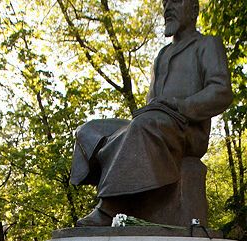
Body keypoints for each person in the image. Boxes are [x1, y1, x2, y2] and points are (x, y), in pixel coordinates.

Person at [71, 0, 232, 226]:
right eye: (164, 3)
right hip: (155, 123)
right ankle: (125, 191)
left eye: (175, 1)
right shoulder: (162, 54)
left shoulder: (207, 44)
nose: (167, 8)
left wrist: (180, 105)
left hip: (187, 130)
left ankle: (110, 208)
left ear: (194, 10)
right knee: (91, 129)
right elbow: (151, 104)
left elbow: (221, 91)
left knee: (143, 125)